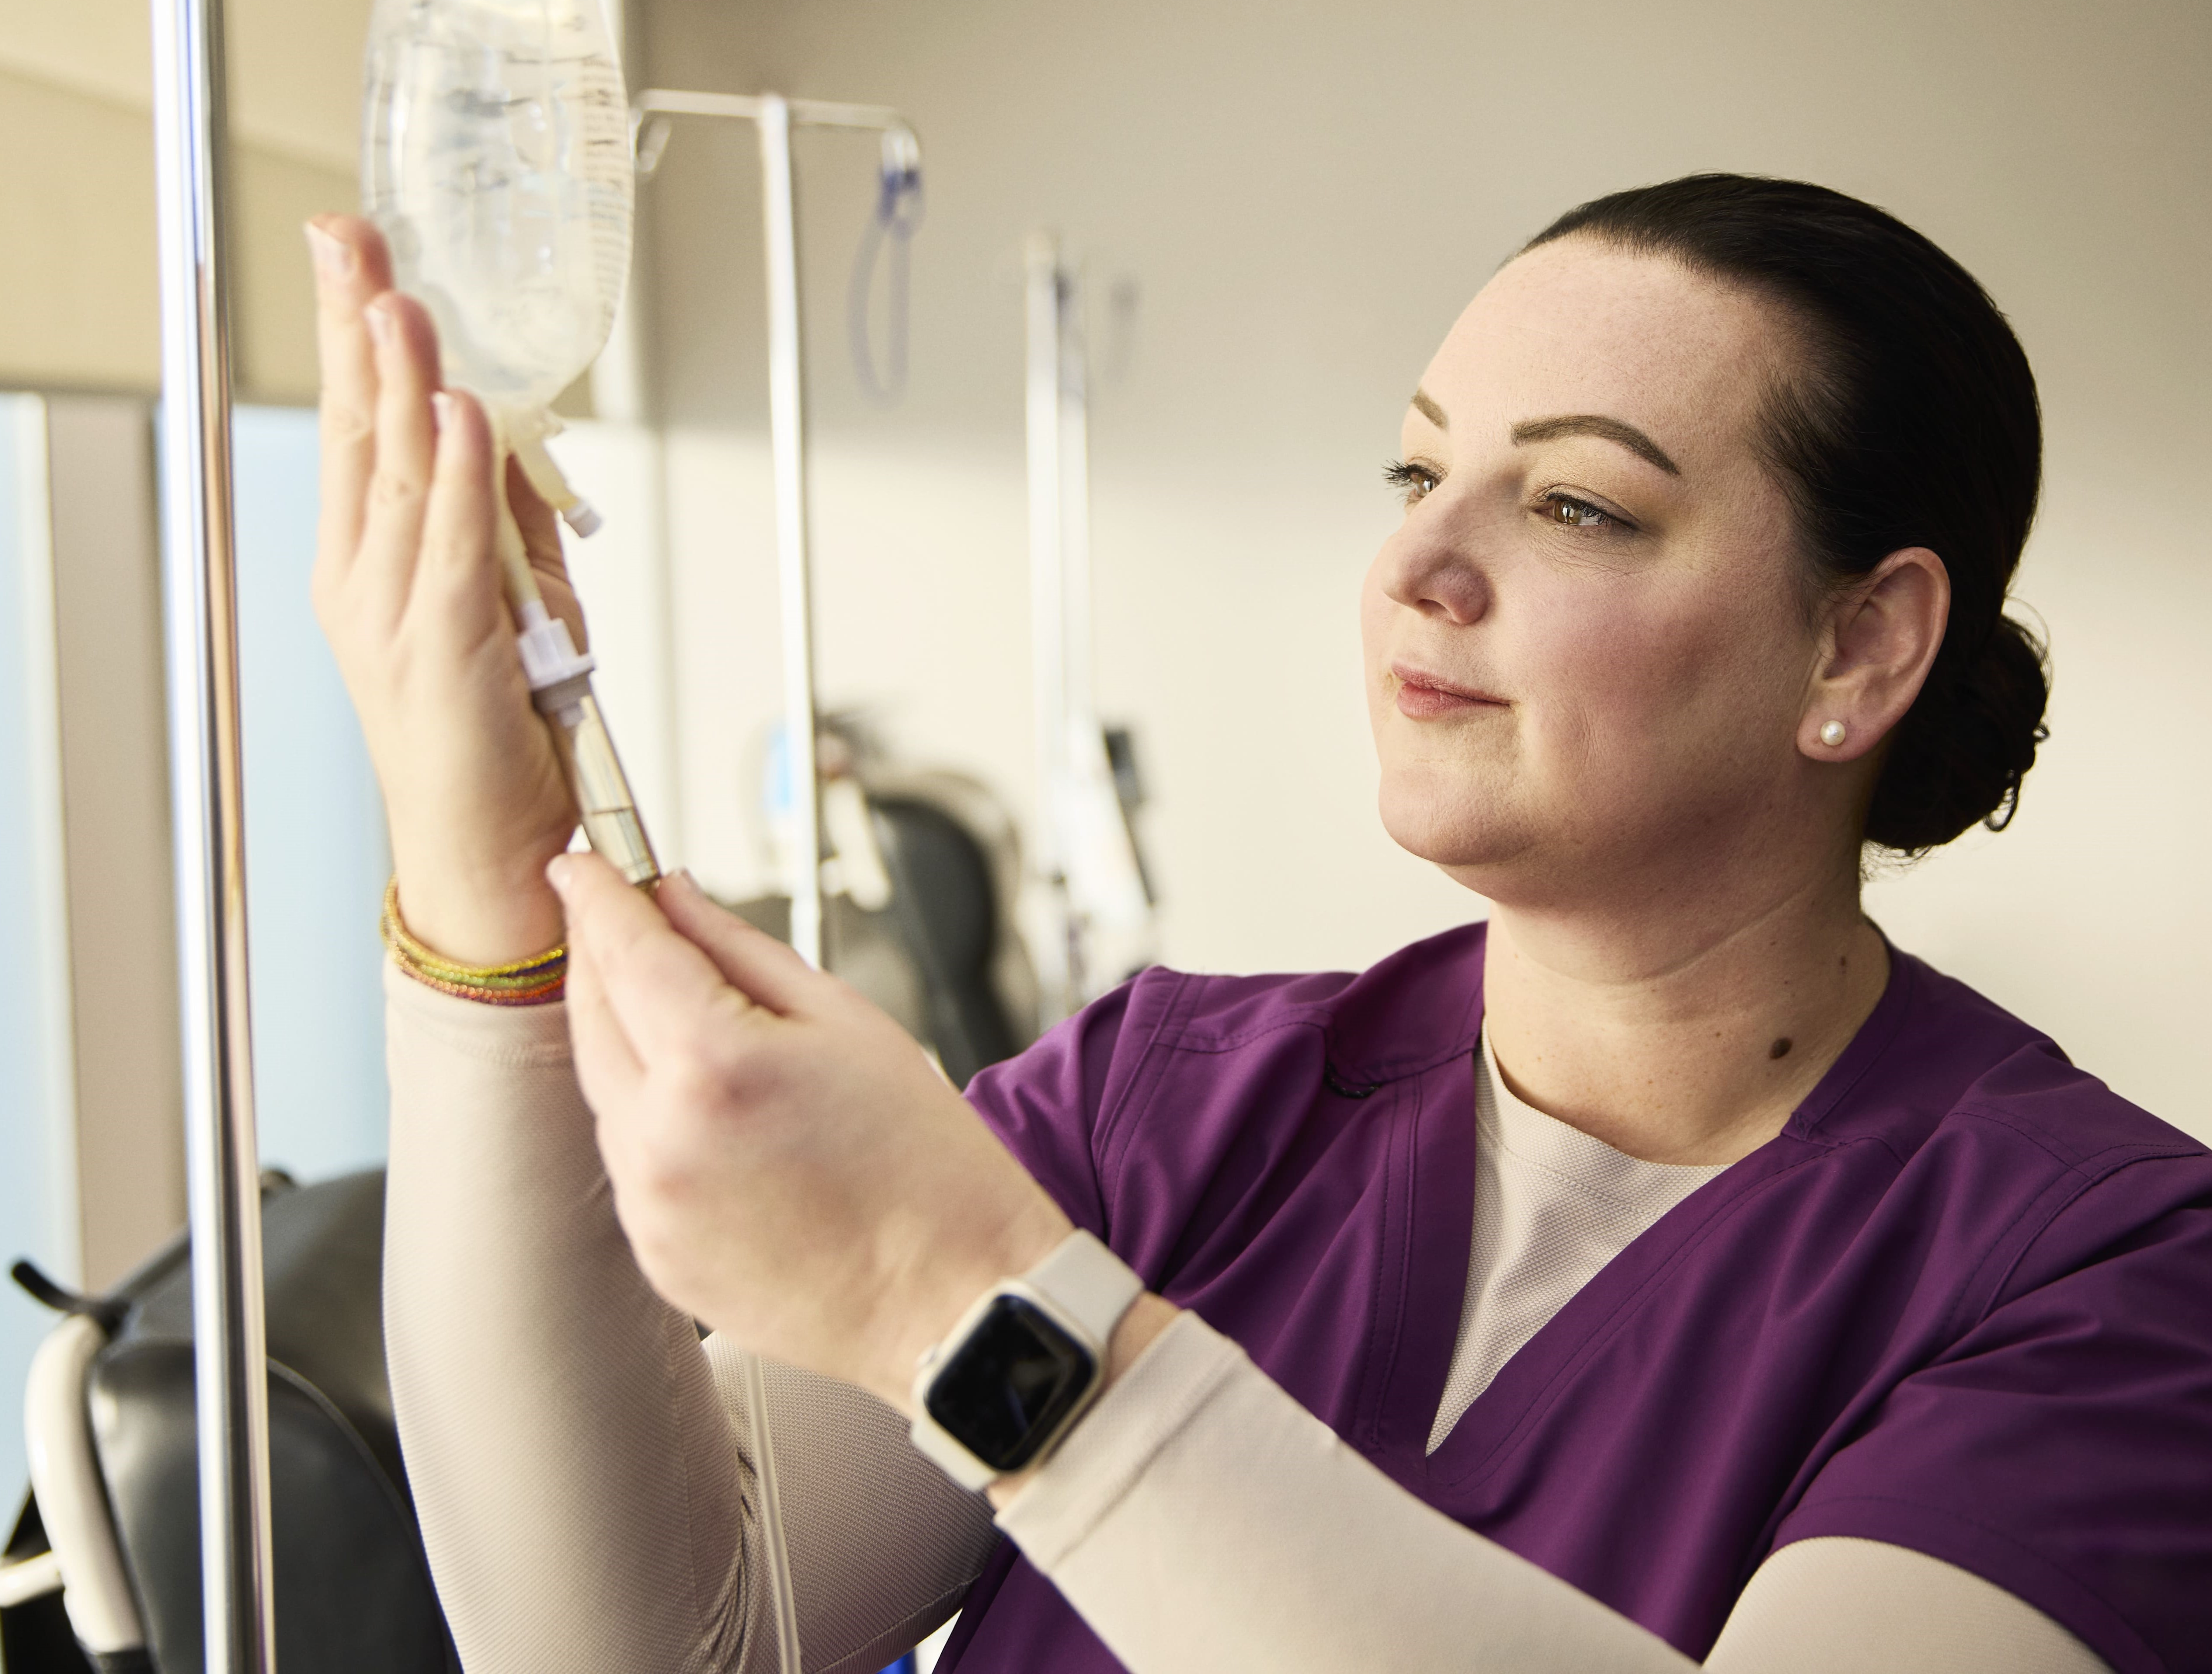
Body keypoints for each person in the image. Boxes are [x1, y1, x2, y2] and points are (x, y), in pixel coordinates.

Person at [306, 175, 2212, 1674]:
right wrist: (481, 895)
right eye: (1417, 470)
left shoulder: (2104, 1280)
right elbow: (646, 1647)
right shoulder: (1165, 1103)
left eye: (1571, 503)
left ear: (1859, 643)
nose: (1417, 563)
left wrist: (966, 1310)